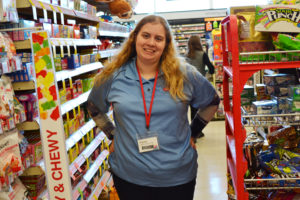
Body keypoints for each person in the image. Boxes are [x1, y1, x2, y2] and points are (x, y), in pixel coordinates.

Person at [87, 14, 220, 200]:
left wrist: (193, 132)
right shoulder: (114, 75)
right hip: (129, 175)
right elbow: (94, 106)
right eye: (146, 36)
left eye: (158, 39)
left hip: (177, 176)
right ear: (135, 38)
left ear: (166, 44)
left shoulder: (184, 74)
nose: (151, 43)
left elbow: (212, 101)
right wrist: (112, 134)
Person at [186, 35, 215, 137]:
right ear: (199, 43)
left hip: (187, 85)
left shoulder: (186, 56)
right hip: (199, 85)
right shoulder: (203, 54)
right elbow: (212, 69)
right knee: (199, 109)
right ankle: (196, 131)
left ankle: (192, 131)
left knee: (192, 108)